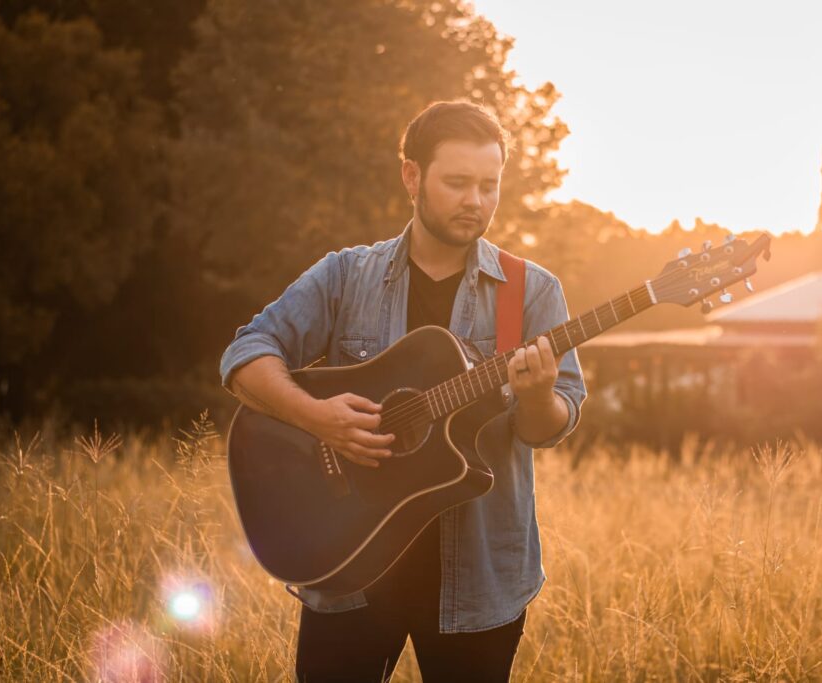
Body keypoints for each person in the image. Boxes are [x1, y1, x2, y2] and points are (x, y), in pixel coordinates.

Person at [219, 100, 587, 682]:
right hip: (347, 563)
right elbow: (245, 355)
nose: (476, 200)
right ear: (412, 176)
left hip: (478, 581)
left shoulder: (529, 291)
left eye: (489, 185)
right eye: (458, 182)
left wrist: (539, 394)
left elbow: (546, 429)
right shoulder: (346, 276)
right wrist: (317, 418)